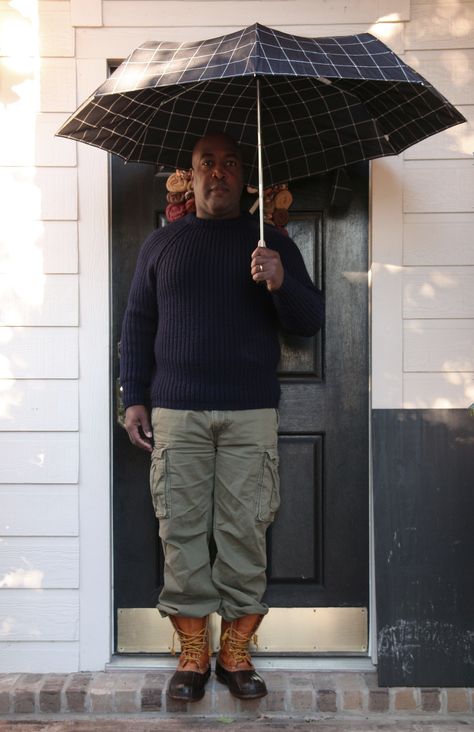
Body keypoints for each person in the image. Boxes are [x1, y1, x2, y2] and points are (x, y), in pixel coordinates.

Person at [120, 132, 324, 702]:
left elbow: (310, 321)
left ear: (244, 177)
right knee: (180, 532)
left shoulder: (272, 242)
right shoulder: (163, 244)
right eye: (207, 163)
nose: (219, 173)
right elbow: (138, 324)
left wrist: (281, 282)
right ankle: (192, 653)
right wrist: (133, 396)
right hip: (177, 412)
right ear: (190, 174)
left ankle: (235, 652)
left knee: (244, 531)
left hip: (249, 412)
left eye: (231, 163)